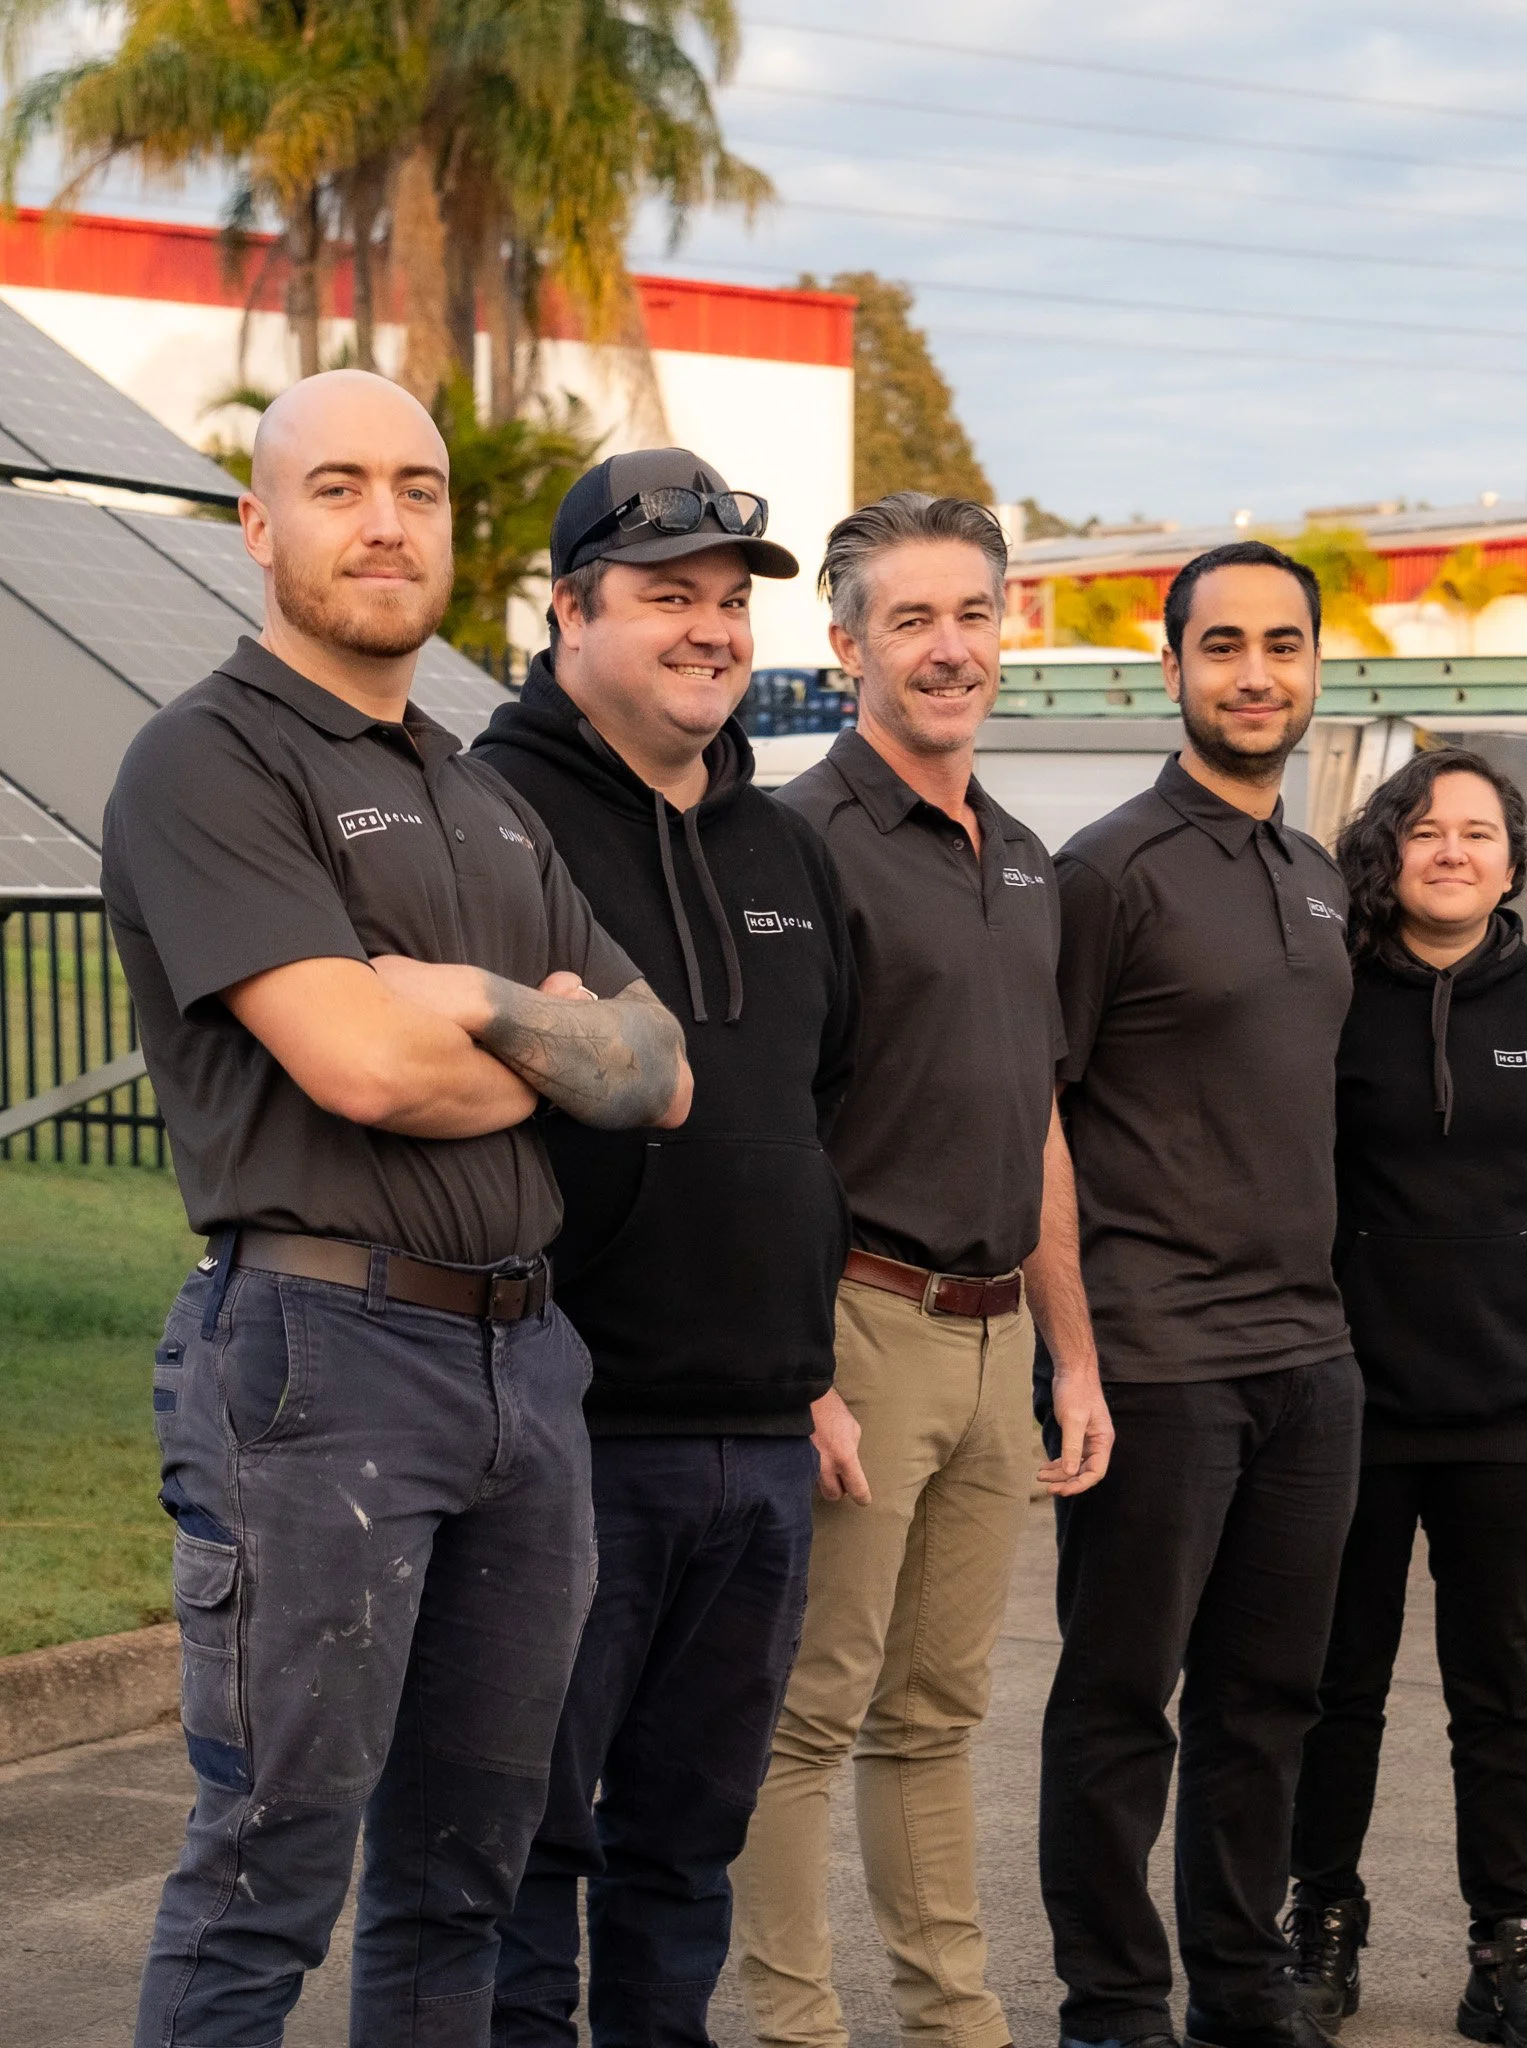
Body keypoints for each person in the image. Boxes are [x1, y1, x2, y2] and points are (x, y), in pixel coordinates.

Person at [101, 370, 692, 2047]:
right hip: (315, 1359)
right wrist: (543, 1026)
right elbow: (362, 1067)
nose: (385, 521)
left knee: (464, 1877)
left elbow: (662, 1072)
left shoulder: (474, 781)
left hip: (525, 1361)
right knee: (268, 1871)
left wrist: (468, 1000)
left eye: (417, 489)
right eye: (341, 486)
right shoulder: (205, 760)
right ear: (261, 523)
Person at [472, 450, 858, 2048]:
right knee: (520, 1845)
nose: (708, 631)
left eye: (725, 602)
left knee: (687, 1845)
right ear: (570, 612)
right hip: (564, 1426)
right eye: (665, 597)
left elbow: (815, 1109)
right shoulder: (491, 820)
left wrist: (815, 1372)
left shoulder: (787, 854)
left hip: (762, 1438)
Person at [729, 492, 1114, 2048]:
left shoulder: (1023, 861)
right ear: (845, 646)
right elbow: (760, 1128)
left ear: (1007, 626)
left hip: (991, 1337)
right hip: (859, 1324)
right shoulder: (795, 841)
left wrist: (1070, 1357)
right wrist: (797, 1365)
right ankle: (796, 2028)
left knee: (938, 1715)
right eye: (911, 621)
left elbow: (1037, 1124)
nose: (948, 649)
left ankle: (955, 2021)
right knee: (809, 1712)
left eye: (973, 614)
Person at [1039, 540, 1362, 2048]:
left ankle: (1242, 1990)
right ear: (1167, 670)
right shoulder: (1109, 869)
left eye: (1283, 646)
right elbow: (1036, 1108)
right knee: (1120, 1705)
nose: (1255, 673)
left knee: (1268, 1704)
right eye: (1221, 645)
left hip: (1309, 1360)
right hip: (1159, 1357)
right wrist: (1076, 1355)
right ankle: (1115, 2002)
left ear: (1317, 669)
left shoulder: (1316, 877)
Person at [1283, 750, 1527, 2048]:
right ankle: (1320, 1928)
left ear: (1515, 864)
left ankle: (1510, 1954)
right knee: (1335, 1689)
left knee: (1502, 1698)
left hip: (1512, 1417)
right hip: (1349, 1411)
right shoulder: (1330, 1001)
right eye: (1428, 832)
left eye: (1481, 834)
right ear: (1390, 852)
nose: (1455, 853)